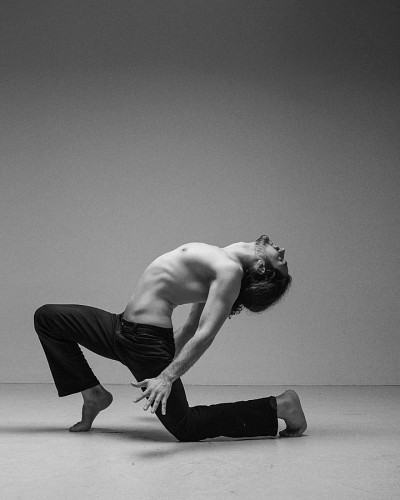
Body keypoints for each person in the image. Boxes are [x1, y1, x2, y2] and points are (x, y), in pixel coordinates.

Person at [34, 235, 307, 441]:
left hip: (146, 344)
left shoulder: (229, 271)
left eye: (280, 260)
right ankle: (93, 394)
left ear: (261, 267)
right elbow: (189, 326)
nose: (282, 250)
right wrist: (166, 362)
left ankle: (281, 406)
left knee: (186, 427)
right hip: (119, 327)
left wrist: (166, 377)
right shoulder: (221, 257)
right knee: (47, 318)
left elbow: (205, 333)